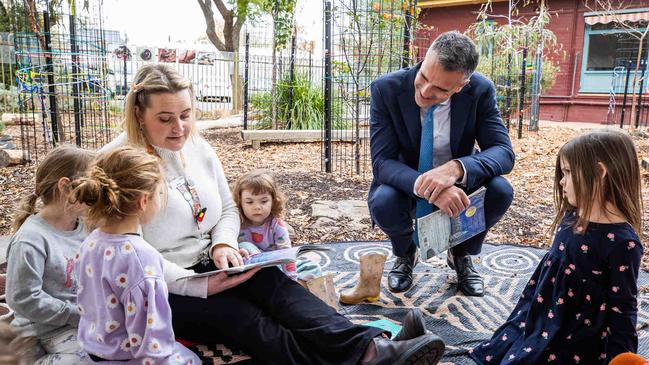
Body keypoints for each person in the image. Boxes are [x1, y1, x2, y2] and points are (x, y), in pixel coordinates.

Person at [101, 63, 445, 365]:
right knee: (245, 317)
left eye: (187, 115)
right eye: (165, 119)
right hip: (162, 287)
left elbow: (227, 209)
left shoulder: (198, 146)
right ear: (138, 114)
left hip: (212, 261)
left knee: (276, 285)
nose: (180, 127)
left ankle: (370, 348)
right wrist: (199, 286)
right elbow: (127, 256)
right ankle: (372, 354)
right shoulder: (117, 162)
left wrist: (222, 245)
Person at [470, 129, 643, 364]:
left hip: (577, 333)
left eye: (569, 172)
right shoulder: (571, 217)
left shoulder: (624, 243)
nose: (561, 180)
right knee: (506, 348)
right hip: (540, 312)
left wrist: (622, 357)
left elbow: (623, 308)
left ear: (600, 172)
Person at [368, 31, 515, 296]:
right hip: (407, 184)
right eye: (423, 77)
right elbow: (382, 162)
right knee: (383, 200)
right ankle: (405, 253)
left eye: (440, 89)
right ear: (423, 59)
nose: (425, 91)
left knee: (501, 190)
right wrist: (432, 187)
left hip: (460, 186)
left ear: (461, 85)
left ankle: (461, 254)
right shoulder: (386, 89)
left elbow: (504, 152)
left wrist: (456, 169)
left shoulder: (480, 91)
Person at [70, 146, 201, 364]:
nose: (161, 198)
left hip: (95, 349)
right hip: (129, 357)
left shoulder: (91, 241)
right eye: (160, 193)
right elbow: (151, 338)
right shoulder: (140, 257)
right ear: (143, 202)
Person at [5, 146, 95, 365]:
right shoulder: (31, 239)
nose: (99, 196)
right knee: (88, 359)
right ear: (65, 187)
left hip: (77, 324)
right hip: (40, 332)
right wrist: (76, 314)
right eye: (93, 189)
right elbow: (23, 297)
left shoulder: (84, 226)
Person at [232, 169, 321, 282]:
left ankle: (293, 288)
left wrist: (291, 279)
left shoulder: (276, 224)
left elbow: (286, 254)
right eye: (249, 202)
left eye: (264, 201)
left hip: (277, 265)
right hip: (251, 269)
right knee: (245, 245)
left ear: (273, 201)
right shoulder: (236, 223)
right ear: (240, 203)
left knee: (311, 267)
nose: (257, 207)